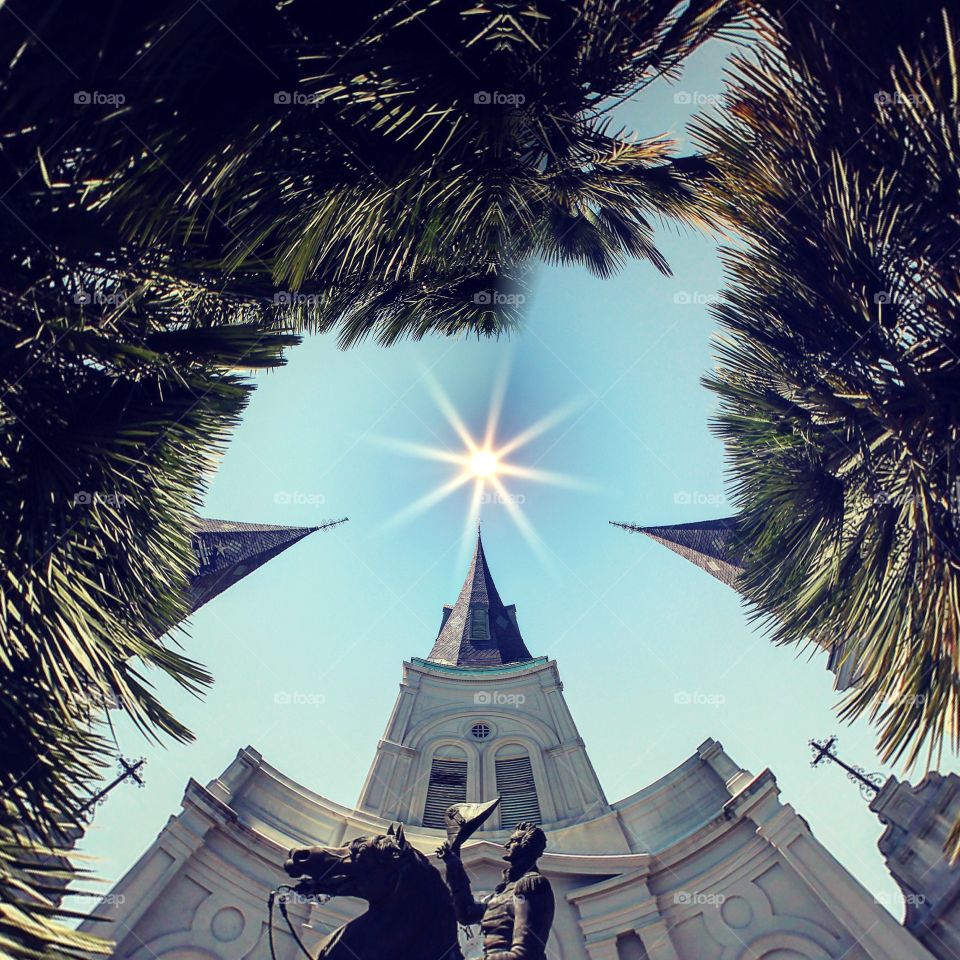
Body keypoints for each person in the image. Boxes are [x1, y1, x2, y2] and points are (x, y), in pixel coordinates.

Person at [436, 821, 554, 960]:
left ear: (526, 846)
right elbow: (466, 913)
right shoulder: (505, 891)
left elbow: (524, 954)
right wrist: (453, 864)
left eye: (513, 841)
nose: (506, 845)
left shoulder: (532, 884)